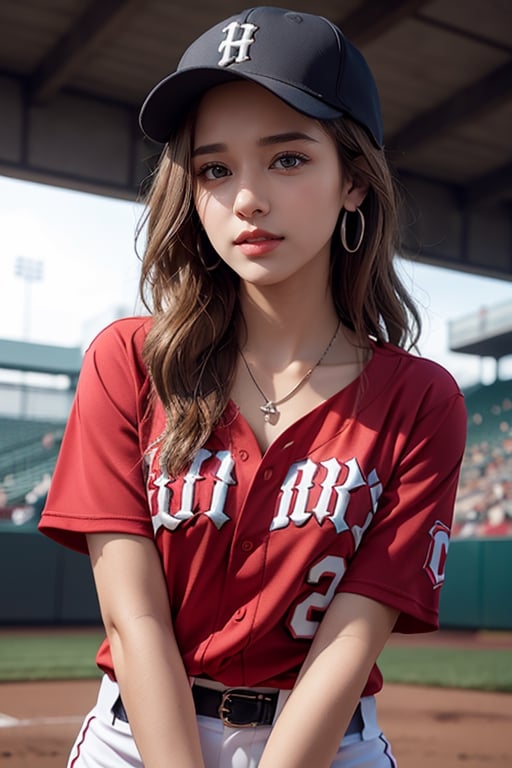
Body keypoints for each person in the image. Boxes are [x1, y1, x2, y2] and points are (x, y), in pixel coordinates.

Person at [39, 7, 467, 768]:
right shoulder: (128, 361)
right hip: (137, 741)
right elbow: (133, 618)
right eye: (214, 168)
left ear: (355, 183)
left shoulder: (420, 399)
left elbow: (352, 639)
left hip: (327, 745)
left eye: (288, 159)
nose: (246, 199)